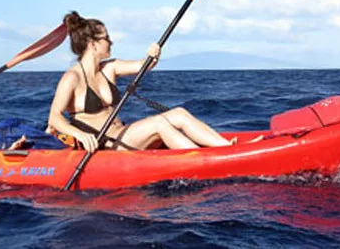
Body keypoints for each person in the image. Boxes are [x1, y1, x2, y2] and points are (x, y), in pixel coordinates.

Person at [47, 11, 239, 153]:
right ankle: (201, 160)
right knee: (158, 123)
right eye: (106, 38)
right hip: (107, 144)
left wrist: (153, 54)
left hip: (123, 134)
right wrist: (80, 135)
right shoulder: (72, 78)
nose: (111, 42)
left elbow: (144, 65)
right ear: (93, 44)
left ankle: (226, 149)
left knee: (179, 114)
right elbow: (55, 117)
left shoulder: (110, 67)